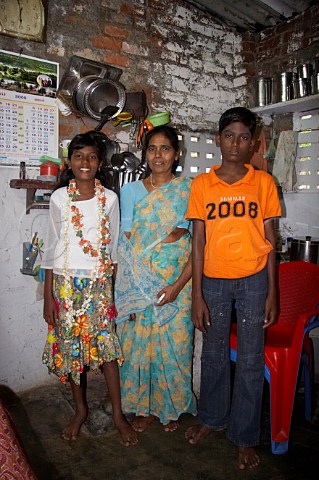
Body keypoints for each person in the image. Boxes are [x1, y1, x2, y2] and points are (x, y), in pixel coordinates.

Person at [185, 107, 281, 469]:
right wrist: (197, 294)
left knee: (252, 359)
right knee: (213, 352)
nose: (236, 143)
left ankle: (244, 435)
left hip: (255, 279)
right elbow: (197, 242)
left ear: (253, 142)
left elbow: (271, 238)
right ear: (218, 140)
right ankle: (212, 418)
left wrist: (273, 291)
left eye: (243, 137)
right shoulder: (202, 185)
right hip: (214, 279)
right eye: (229, 136)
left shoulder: (263, 183)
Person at [41, 130, 138, 446]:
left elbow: (113, 253)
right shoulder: (59, 198)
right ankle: (80, 409)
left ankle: (119, 415)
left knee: (107, 352)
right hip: (66, 287)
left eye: (92, 156)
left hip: (98, 286)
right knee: (73, 353)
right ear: (70, 162)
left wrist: (114, 292)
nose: (85, 161)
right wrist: (48, 298)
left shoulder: (109, 199)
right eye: (79, 156)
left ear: (100, 162)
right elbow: (53, 246)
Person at [115, 125, 197, 433]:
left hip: (178, 282)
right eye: (152, 149)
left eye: (165, 148)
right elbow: (126, 243)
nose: (158, 155)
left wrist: (178, 286)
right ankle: (143, 408)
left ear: (177, 154)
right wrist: (127, 293)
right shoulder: (131, 192)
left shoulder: (188, 190)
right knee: (138, 346)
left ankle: (171, 406)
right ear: (144, 154)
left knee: (174, 346)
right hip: (138, 283)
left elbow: (197, 242)